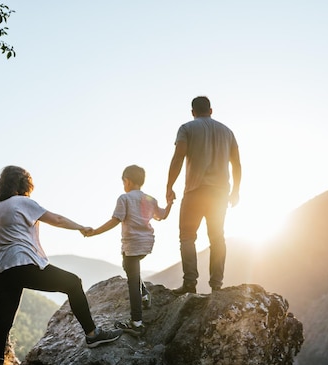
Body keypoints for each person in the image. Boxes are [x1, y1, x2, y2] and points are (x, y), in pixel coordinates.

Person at [0, 165, 122, 365]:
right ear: (24, 184)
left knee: (1, 325)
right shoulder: (22, 202)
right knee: (73, 283)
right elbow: (55, 218)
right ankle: (92, 334)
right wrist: (80, 227)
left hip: (0, 271)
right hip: (22, 263)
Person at [166, 96, 242, 295]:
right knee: (217, 237)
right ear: (211, 110)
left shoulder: (187, 128)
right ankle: (216, 285)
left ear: (193, 112)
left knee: (187, 236)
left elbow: (178, 157)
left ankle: (189, 283)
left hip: (195, 191)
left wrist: (169, 186)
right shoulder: (228, 132)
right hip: (219, 194)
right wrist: (236, 191)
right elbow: (237, 164)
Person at [85, 165, 172, 336]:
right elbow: (162, 215)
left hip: (132, 244)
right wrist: (170, 203)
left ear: (128, 181)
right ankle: (145, 295)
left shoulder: (124, 198)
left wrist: (95, 232)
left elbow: (115, 220)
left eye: (123, 181)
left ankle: (137, 323)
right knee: (129, 266)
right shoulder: (150, 199)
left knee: (132, 279)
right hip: (146, 244)